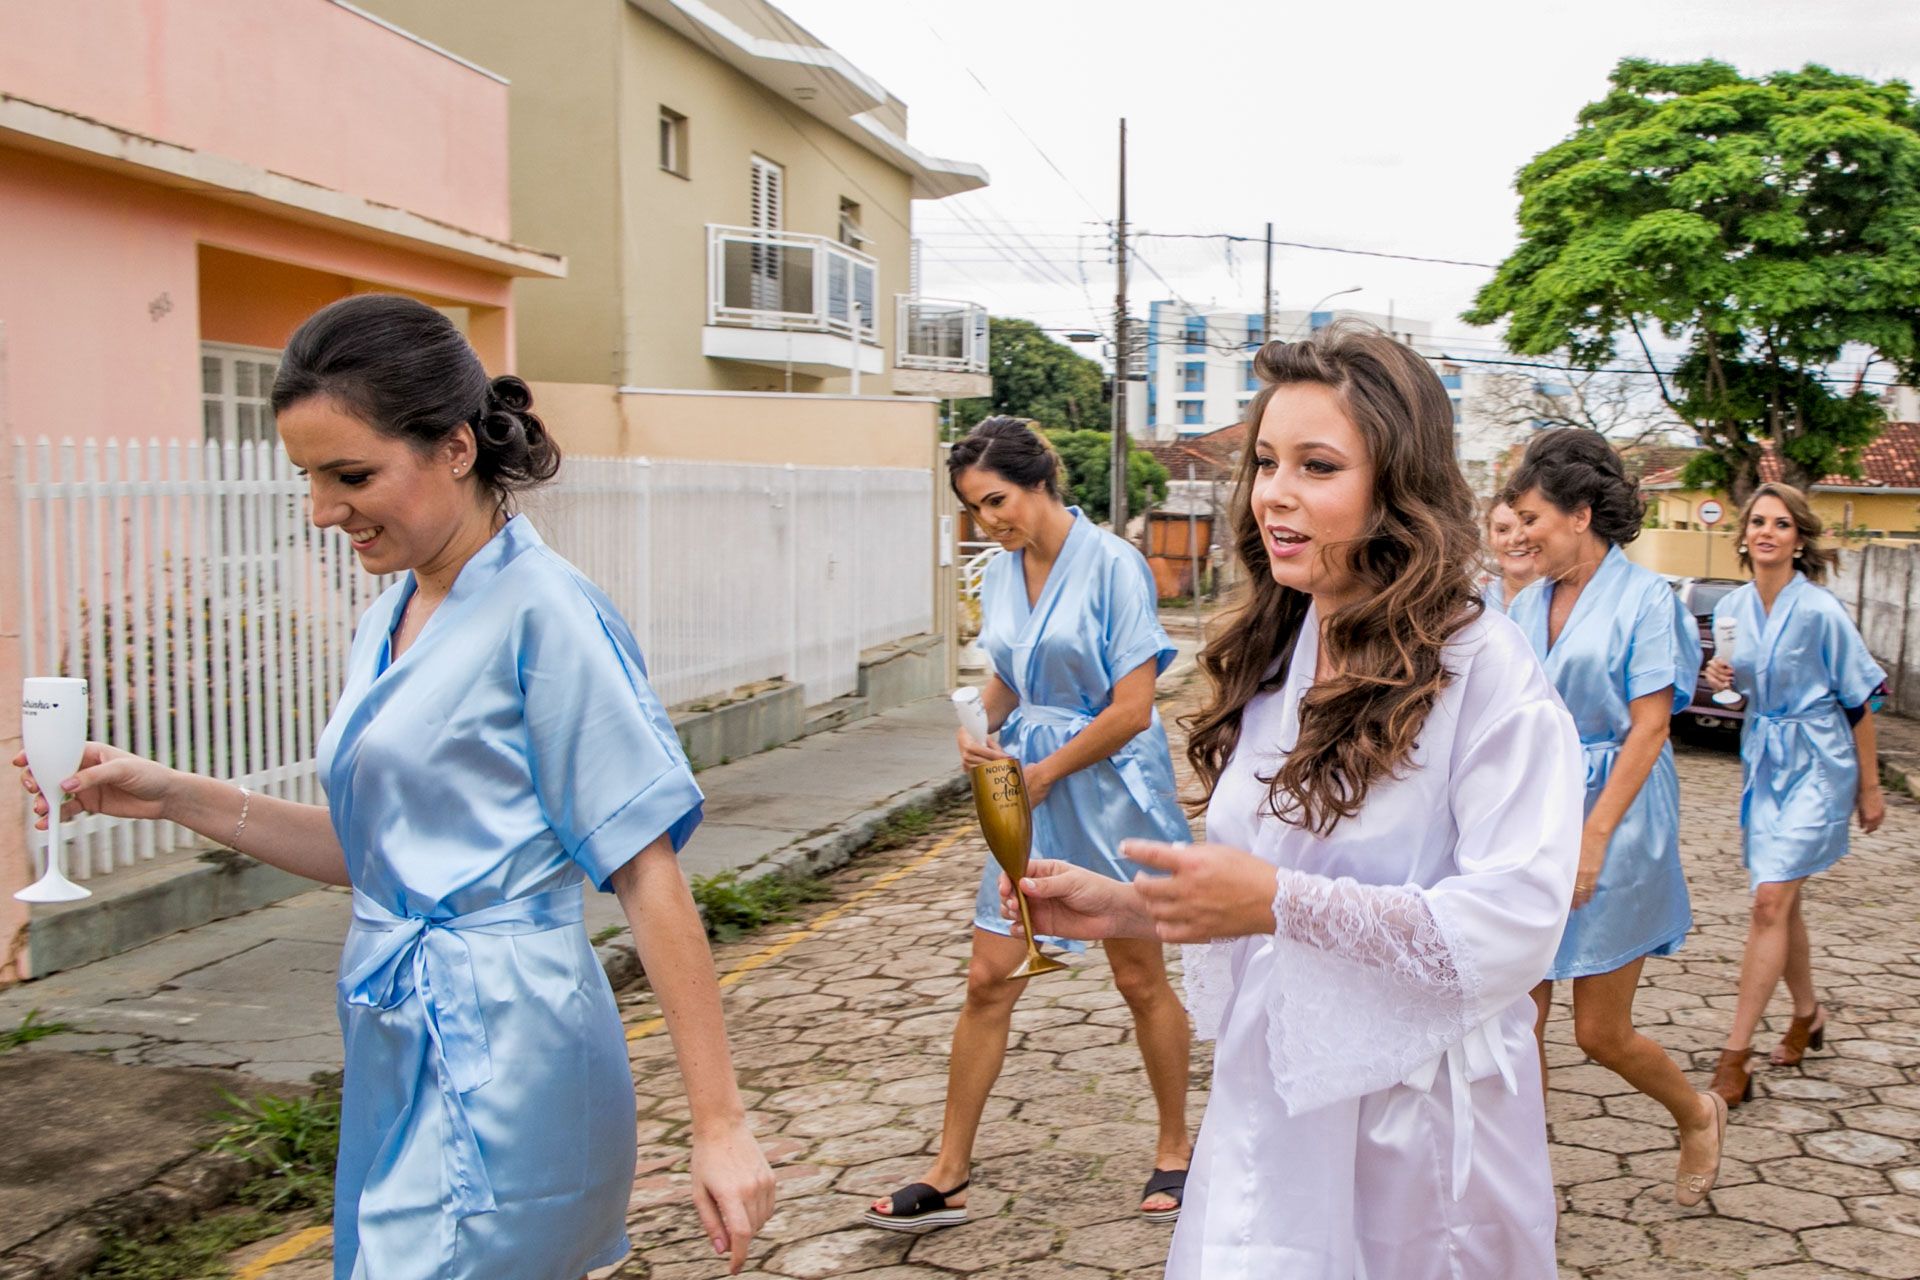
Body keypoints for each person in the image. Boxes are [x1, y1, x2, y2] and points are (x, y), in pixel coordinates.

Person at [15, 295, 774, 1280]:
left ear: (456, 447)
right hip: (392, 1037)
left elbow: (647, 872)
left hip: (512, 1044)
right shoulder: (394, 612)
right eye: (308, 478)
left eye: (352, 475)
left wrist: (720, 1125)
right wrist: (169, 794)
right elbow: (375, 856)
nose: (323, 511)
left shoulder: (546, 613)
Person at [1002, 325, 1585, 1278]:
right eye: (1266, 462)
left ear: (1396, 483)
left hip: (1413, 1116)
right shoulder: (1285, 647)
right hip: (1274, 1094)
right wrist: (1125, 907)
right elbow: (1271, 888)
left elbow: (1518, 917)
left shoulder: (1484, 670)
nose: (1275, 491)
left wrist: (1278, 903)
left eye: (1318, 466)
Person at [865, 417, 1195, 1232]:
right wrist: (979, 720)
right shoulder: (1006, 573)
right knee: (990, 977)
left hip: (1106, 784)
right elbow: (1012, 679)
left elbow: (1133, 709)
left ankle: (1177, 1150)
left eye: (997, 501)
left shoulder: (1115, 565)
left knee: (1137, 978)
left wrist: (1044, 771)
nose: (989, 523)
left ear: (1041, 481)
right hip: (1027, 792)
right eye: (975, 510)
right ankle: (949, 1171)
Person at [1504, 427, 1725, 1205]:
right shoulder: (1527, 602)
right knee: (1514, 1015)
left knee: (1599, 1033)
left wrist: (1593, 836)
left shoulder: (1646, 602)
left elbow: (1652, 726)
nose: (1522, 531)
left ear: (1581, 514)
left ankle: (1696, 1111)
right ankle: (1520, 1187)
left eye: (1533, 517)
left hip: (1619, 817)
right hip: (1536, 812)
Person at [1703, 482, 1885, 1107]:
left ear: (1798, 539)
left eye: (1781, 524)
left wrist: (1871, 785)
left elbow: (1860, 701)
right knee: (1780, 902)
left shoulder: (1821, 611)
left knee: (1770, 901)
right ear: (1745, 534)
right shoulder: (1733, 610)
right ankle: (1809, 1013)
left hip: (1819, 762)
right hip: (1764, 760)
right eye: (1758, 521)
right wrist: (1719, 675)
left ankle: (1735, 1057)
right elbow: (1734, 684)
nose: (1767, 532)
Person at [1482, 498, 1540, 613]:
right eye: (1502, 530)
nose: (1515, 539)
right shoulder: (1474, 604)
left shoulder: (1572, 601)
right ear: (1489, 538)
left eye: (1528, 525)